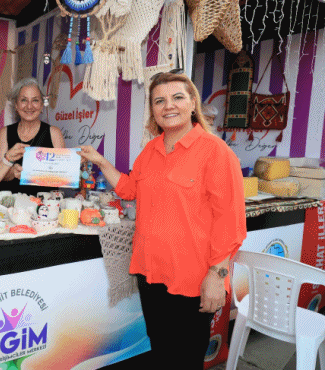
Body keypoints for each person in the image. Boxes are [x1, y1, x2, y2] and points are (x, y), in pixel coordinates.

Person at [79, 71, 246, 369]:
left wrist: (217, 275)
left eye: (177, 97)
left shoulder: (215, 152)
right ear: (153, 110)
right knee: (161, 351)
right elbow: (129, 189)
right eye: (159, 101)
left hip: (193, 279)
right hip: (150, 274)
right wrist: (100, 161)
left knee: (184, 359)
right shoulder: (150, 150)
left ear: (192, 103)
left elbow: (230, 221)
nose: (168, 106)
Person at [0, 77, 66, 195]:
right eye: (24, 100)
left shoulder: (54, 133)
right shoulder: (4, 133)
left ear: (42, 105)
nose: (29, 106)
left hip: (44, 204)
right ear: (16, 105)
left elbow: (62, 175)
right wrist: (11, 173)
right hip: (9, 203)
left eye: (35, 100)